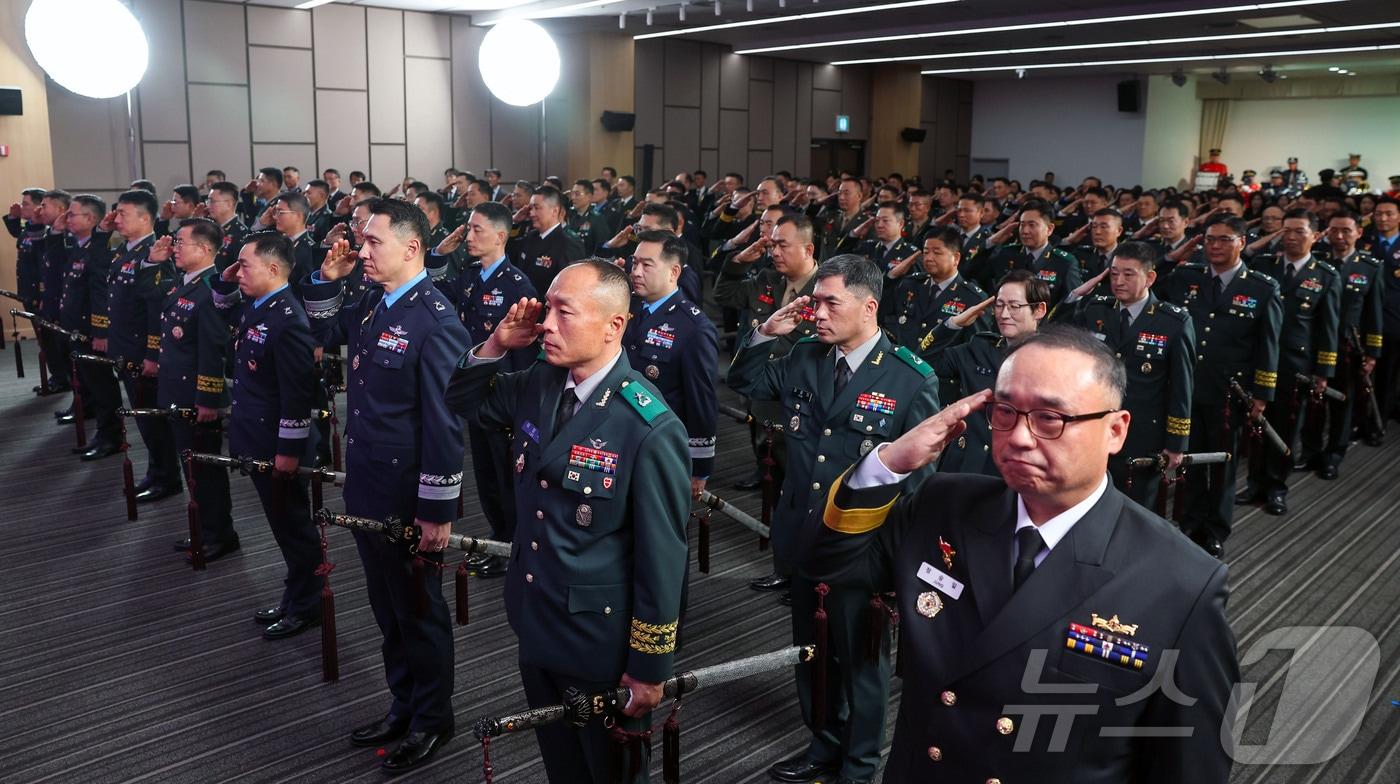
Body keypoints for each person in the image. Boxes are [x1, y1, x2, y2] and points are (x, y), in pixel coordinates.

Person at [813, 327, 1238, 783]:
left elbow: (1189, 768)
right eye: (1005, 412)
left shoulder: (1182, 582)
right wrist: (888, 464)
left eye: (1050, 418)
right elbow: (827, 569)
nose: (1018, 437)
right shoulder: (942, 505)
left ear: (1115, 431)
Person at [446, 260, 689, 784]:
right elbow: (465, 401)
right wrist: (495, 343)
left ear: (613, 325)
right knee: (562, 764)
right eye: (547, 308)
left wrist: (649, 668)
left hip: (597, 640)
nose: (547, 324)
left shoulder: (648, 425)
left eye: (564, 312)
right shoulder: (542, 380)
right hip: (536, 619)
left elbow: (663, 560)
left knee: (610, 769)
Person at [727, 255, 942, 784]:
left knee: (861, 667)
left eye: (830, 303)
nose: (817, 313)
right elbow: (747, 382)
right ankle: (822, 748)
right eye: (815, 302)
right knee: (813, 656)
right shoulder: (804, 355)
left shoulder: (911, 377)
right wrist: (764, 333)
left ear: (869, 307)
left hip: (863, 550)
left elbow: (916, 482)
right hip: (803, 536)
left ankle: (859, 766)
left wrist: (895, 563)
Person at [303, 198, 467, 773]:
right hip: (369, 483)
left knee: (419, 610)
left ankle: (432, 718)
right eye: (361, 241)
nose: (361, 251)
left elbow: (445, 422)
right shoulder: (375, 303)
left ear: (412, 247)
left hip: (407, 496)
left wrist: (437, 507)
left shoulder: (437, 319)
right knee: (386, 607)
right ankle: (404, 702)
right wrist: (328, 278)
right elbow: (319, 326)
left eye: (373, 243)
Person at [209, 232, 322, 636]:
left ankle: (308, 604)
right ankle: (295, 594)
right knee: (282, 525)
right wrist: (224, 282)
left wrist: (288, 452)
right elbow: (220, 316)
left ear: (273, 270)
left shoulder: (287, 319)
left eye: (245, 265)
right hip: (257, 438)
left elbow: (297, 396)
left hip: (277, 446)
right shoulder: (259, 306)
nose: (239, 272)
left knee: (294, 526)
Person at [1165, 215, 1282, 558]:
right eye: (1209, 239)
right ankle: (1190, 519)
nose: (1214, 246)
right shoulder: (1186, 277)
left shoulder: (1262, 287)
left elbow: (1268, 346)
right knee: (1189, 457)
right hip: (1188, 390)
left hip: (1231, 394)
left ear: (1242, 242)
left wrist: (1262, 395)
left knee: (1223, 463)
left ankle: (1215, 527)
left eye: (1224, 240)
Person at [714, 213, 820, 589]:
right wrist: (738, 260)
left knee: (807, 498)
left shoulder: (829, 292)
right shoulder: (766, 280)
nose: (773, 251)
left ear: (808, 249)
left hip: (807, 412)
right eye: (771, 244)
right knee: (776, 494)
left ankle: (807, 578)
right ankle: (784, 568)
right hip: (764, 405)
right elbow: (723, 295)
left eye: (781, 245)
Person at [1056, 242, 1196, 509]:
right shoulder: (1097, 309)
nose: (1118, 281)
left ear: (1150, 278)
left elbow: (1181, 386)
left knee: (1140, 507)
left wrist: (1176, 443)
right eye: (1114, 273)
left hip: (1143, 433)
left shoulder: (1173, 322)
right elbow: (1057, 332)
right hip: (1095, 425)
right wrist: (1074, 296)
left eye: (1129, 274)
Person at [452, 200, 537, 578]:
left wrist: (516, 407)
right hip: (476, 388)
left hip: (502, 397)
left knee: (507, 477)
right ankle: (498, 536)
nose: (469, 236)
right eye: (469, 229)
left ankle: (512, 545)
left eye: (477, 230)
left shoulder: (517, 284)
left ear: (500, 236)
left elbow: (523, 356)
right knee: (485, 475)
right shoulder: (470, 276)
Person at [1237, 209, 1339, 516]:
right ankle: (1254, 482)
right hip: (1257, 363)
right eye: (1286, 231)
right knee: (1254, 428)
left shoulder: (1324, 275)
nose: (1291, 237)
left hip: (1294, 366)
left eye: (1299, 231)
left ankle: (1277, 488)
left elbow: (1328, 328)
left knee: (1283, 429)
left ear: (1315, 236)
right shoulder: (1265, 267)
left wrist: (1323, 372)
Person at [151, 220, 237, 561]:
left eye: (181, 242)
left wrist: (207, 399)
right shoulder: (182, 284)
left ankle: (220, 534)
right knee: (191, 468)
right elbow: (149, 296)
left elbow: (213, 352)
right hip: (176, 391)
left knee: (205, 468)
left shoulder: (211, 290)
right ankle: (204, 526)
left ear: (204, 249)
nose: (175, 247)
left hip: (195, 397)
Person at [920, 270, 1048, 476]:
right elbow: (924, 363)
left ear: (1039, 309)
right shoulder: (979, 348)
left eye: (1014, 306)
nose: (1004, 314)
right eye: (999, 305)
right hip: (962, 467)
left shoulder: (1053, 361)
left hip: (1012, 472)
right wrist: (952, 325)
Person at [108, 189, 183, 502]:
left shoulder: (156, 255)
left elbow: (157, 313)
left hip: (143, 352)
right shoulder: (124, 252)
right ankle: (156, 471)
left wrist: (153, 355)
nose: (116, 219)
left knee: (153, 420)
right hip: (126, 348)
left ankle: (167, 477)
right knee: (144, 419)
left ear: (145, 217)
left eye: (123, 213)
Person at [1311, 211, 1383, 473]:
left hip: (1348, 346)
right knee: (1312, 401)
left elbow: (1374, 315)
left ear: (1359, 233)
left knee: (1343, 401)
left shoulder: (1370, 267)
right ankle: (1311, 451)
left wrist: (1372, 353)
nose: (1339, 236)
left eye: (1346, 231)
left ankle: (1334, 454)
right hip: (1314, 344)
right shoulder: (1316, 263)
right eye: (1333, 230)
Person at [57, 194, 123, 460]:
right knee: (92, 385)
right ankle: (103, 434)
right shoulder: (80, 246)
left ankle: (111, 437)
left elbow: (99, 293)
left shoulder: (100, 249)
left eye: (73, 214)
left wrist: (100, 331)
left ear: (91, 219)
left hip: (91, 331)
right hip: (77, 328)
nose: (67, 218)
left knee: (103, 387)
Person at [880, 225, 990, 351]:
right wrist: (891, 277)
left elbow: (976, 348)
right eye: (926, 252)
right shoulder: (910, 284)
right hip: (902, 363)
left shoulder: (973, 298)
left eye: (937, 253)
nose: (929, 258)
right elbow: (883, 314)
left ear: (956, 258)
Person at [973, 199, 1081, 306]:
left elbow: (1072, 305)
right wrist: (991, 242)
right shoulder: (1006, 253)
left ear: (1049, 229)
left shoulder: (1064, 263)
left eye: (1032, 225)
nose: (1025, 231)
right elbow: (973, 274)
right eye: (1022, 225)